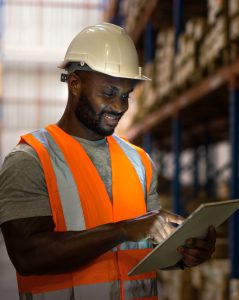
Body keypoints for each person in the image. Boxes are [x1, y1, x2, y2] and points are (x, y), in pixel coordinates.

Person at [0, 23, 216, 300]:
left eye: (126, 95)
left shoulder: (139, 161)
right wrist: (125, 229)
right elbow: (28, 256)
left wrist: (184, 255)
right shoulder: (30, 160)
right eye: (109, 93)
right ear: (75, 83)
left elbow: (144, 250)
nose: (120, 107)